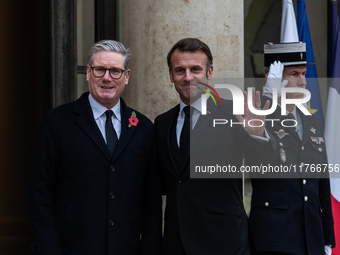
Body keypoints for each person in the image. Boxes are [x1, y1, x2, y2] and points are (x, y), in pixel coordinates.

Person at [29, 40, 162, 255]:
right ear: (89, 73)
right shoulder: (57, 123)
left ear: (127, 76)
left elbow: (151, 202)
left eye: (115, 71)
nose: (107, 77)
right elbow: (40, 194)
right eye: (100, 69)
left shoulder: (144, 128)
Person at [154, 37, 276, 255]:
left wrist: (258, 135)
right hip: (176, 242)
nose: (188, 77)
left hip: (223, 241)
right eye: (180, 70)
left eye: (196, 69)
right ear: (171, 75)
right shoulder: (162, 123)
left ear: (209, 73)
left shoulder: (234, 113)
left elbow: (263, 170)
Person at [249, 42, 335, 255]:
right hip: (276, 238)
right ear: (274, 77)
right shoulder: (258, 117)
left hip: (311, 236)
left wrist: (327, 236)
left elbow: (322, 181)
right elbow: (258, 167)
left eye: (304, 73)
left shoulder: (311, 122)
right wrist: (270, 99)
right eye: (294, 73)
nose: (303, 81)